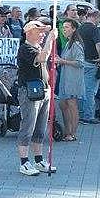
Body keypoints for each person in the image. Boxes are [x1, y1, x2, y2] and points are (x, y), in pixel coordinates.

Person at [16, 20, 57, 176]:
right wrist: (50, 40)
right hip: (29, 91)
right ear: (29, 32)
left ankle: (39, 159)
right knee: (28, 126)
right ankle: (24, 162)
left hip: (43, 89)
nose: (42, 34)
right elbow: (42, 58)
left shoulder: (38, 46)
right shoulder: (25, 49)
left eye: (43, 32)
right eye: (39, 32)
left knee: (40, 127)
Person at [55, 19, 84, 142]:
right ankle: (67, 130)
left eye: (67, 27)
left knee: (72, 104)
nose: (64, 29)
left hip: (73, 78)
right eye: (63, 27)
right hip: (66, 78)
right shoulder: (68, 43)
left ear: (73, 29)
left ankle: (72, 133)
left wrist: (63, 61)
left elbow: (80, 62)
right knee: (63, 104)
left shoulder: (76, 44)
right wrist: (59, 60)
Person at [78, 9, 100, 124]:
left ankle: (81, 113)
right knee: (90, 91)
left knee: (82, 89)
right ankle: (88, 116)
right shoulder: (94, 29)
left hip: (82, 61)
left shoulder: (80, 28)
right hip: (92, 62)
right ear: (95, 17)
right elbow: (99, 45)